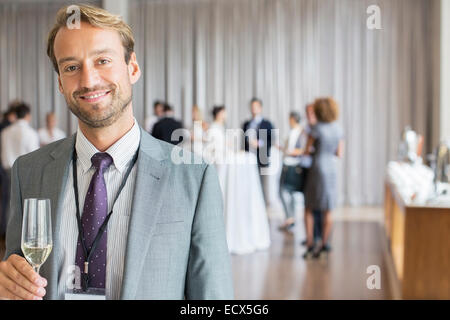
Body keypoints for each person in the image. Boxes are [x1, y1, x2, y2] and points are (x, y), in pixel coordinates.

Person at [0, 4, 233, 300]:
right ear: (60, 82)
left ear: (132, 67)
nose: (88, 80)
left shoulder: (194, 177)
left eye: (102, 60)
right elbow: (17, 276)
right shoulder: (28, 171)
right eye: (71, 67)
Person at [303, 98, 344, 259]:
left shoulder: (316, 129)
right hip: (331, 169)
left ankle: (310, 243)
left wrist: (314, 151)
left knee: (309, 207)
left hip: (317, 168)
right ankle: (323, 243)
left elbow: (307, 151)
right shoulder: (338, 129)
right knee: (328, 208)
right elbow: (339, 154)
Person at [242, 98, 274, 203]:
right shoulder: (246, 124)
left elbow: (271, 140)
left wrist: (259, 143)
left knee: (262, 185)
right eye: (252, 107)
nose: (254, 109)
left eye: (256, 107)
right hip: (248, 158)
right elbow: (243, 140)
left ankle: (263, 208)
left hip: (262, 159)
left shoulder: (267, 124)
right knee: (248, 183)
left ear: (260, 108)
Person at [278, 111, 306, 231]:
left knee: (286, 192)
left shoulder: (301, 132)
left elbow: (302, 150)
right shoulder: (294, 132)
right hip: (288, 164)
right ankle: (290, 218)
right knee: (287, 193)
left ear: (293, 119)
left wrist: (289, 152)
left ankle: (290, 218)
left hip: (293, 165)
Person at [1, 102, 39, 171]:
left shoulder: (5, 132)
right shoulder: (31, 133)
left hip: (6, 173)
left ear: (16, 115)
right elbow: (35, 157)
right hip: (24, 172)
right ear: (28, 115)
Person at [0, 104, 19, 239]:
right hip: (10, 168)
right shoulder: (7, 128)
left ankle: (4, 231)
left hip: (4, 167)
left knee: (5, 200)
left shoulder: (4, 127)